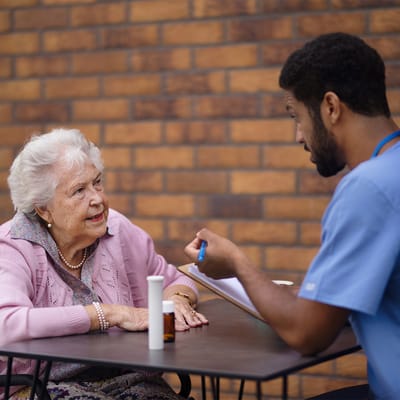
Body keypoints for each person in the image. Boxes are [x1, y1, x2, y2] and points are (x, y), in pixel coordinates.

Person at [184, 32, 400, 400]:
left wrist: (237, 263)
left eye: (297, 116)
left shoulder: (367, 188)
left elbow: (307, 334)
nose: (299, 135)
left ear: (331, 107)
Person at [0, 128, 208, 400]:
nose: (97, 198)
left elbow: (175, 280)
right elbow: (7, 323)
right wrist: (108, 314)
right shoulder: (13, 246)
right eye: (79, 191)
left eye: (97, 183)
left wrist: (177, 300)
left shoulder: (118, 230)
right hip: (41, 386)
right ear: (43, 208)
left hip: (129, 378)